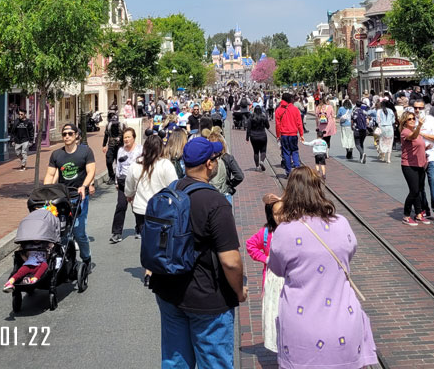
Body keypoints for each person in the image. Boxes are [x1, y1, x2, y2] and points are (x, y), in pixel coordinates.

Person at [150, 138, 246, 369]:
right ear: (209, 164)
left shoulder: (169, 192)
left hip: (169, 291)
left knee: (175, 361)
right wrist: (239, 290)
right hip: (207, 298)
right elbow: (230, 261)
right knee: (214, 363)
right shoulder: (215, 202)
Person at [267, 166, 376, 368]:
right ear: (319, 190)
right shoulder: (341, 223)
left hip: (301, 325)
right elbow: (350, 252)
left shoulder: (285, 231)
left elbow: (276, 268)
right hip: (343, 321)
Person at [44, 124, 95, 271]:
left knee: (79, 231)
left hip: (79, 197)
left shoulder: (85, 151)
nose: (67, 136)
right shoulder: (56, 155)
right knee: (62, 232)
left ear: (76, 136)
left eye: (70, 133)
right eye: (64, 134)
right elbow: (50, 174)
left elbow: (91, 171)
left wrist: (84, 186)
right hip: (62, 199)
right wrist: (46, 190)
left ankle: (86, 258)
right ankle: (66, 260)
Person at [244, 201, 282, 353]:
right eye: (276, 214)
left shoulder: (296, 229)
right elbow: (250, 245)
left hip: (291, 281)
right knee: (275, 314)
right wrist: (265, 259)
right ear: (271, 215)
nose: (281, 216)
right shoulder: (267, 232)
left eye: (283, 212)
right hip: (273, 281)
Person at [411, 98, 434, 222]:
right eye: (416, 108)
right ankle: (424, 208)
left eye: (420, 108)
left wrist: (421, 134)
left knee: (433, 182)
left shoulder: (430, 120)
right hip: (417, 157)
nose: (418, 110)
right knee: (419, 186)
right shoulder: (411, 121)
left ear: (425, 108)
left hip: (431, 156)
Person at [110, 127, 141, 243]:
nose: (126, 139)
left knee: (137, 206)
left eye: (129, 137)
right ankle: (116, 233)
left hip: (137, 182)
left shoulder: (140, 149)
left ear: (134, 138)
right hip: (123, 181)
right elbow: (118, 166)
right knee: (121, 206)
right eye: (125, 137)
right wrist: (117, 181)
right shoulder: (121, 150)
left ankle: (140, 228)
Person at [398, 109, 428, 226]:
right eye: (409, 119)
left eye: (413, 118)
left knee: (419, 190)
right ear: (404, 122)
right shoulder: (405, 132)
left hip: (420, 164)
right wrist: (419, 126)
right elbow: (413, 137)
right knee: (414, 190)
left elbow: (418, 146)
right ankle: (406, 215)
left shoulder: (416, 131)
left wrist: (427, 148)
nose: (412, 120)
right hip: (409, 165)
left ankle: (419, 213)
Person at [207, 131, 244, 204]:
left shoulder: (207, 158)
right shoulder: (227, 158)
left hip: (210, 194)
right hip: (224, 194)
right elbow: (240, 176)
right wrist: (229, 184)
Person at [275, 92, 304, 175]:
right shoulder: (295, 109)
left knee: (286, 153)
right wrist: (301, 134)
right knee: (295, 151)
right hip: (293, 134)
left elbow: (277, 125)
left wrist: (278, 135)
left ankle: (288, 172)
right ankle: (297, 168)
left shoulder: (279, 110)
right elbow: (299, 123)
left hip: (284, 135)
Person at [245, 104, 270, 170]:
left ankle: (257, 166)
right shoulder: (263, 117)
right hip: (262, 136)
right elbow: (268, 126)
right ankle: (262, 161)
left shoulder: (251, 117)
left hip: (253, 136)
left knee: (256, 151)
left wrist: (247, 138)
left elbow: (248, 128)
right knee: (263, 151)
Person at [102, 112, 123, 184]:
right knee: (108, 161)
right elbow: (106, 135)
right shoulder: (108, 126)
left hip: (120, 147)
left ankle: (119, 176)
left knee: (119, 162)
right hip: (111, 146)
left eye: (116, 123)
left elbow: (126, 135)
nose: (114, 124)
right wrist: (104, 145)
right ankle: (111, 176)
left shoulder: (122, 126)